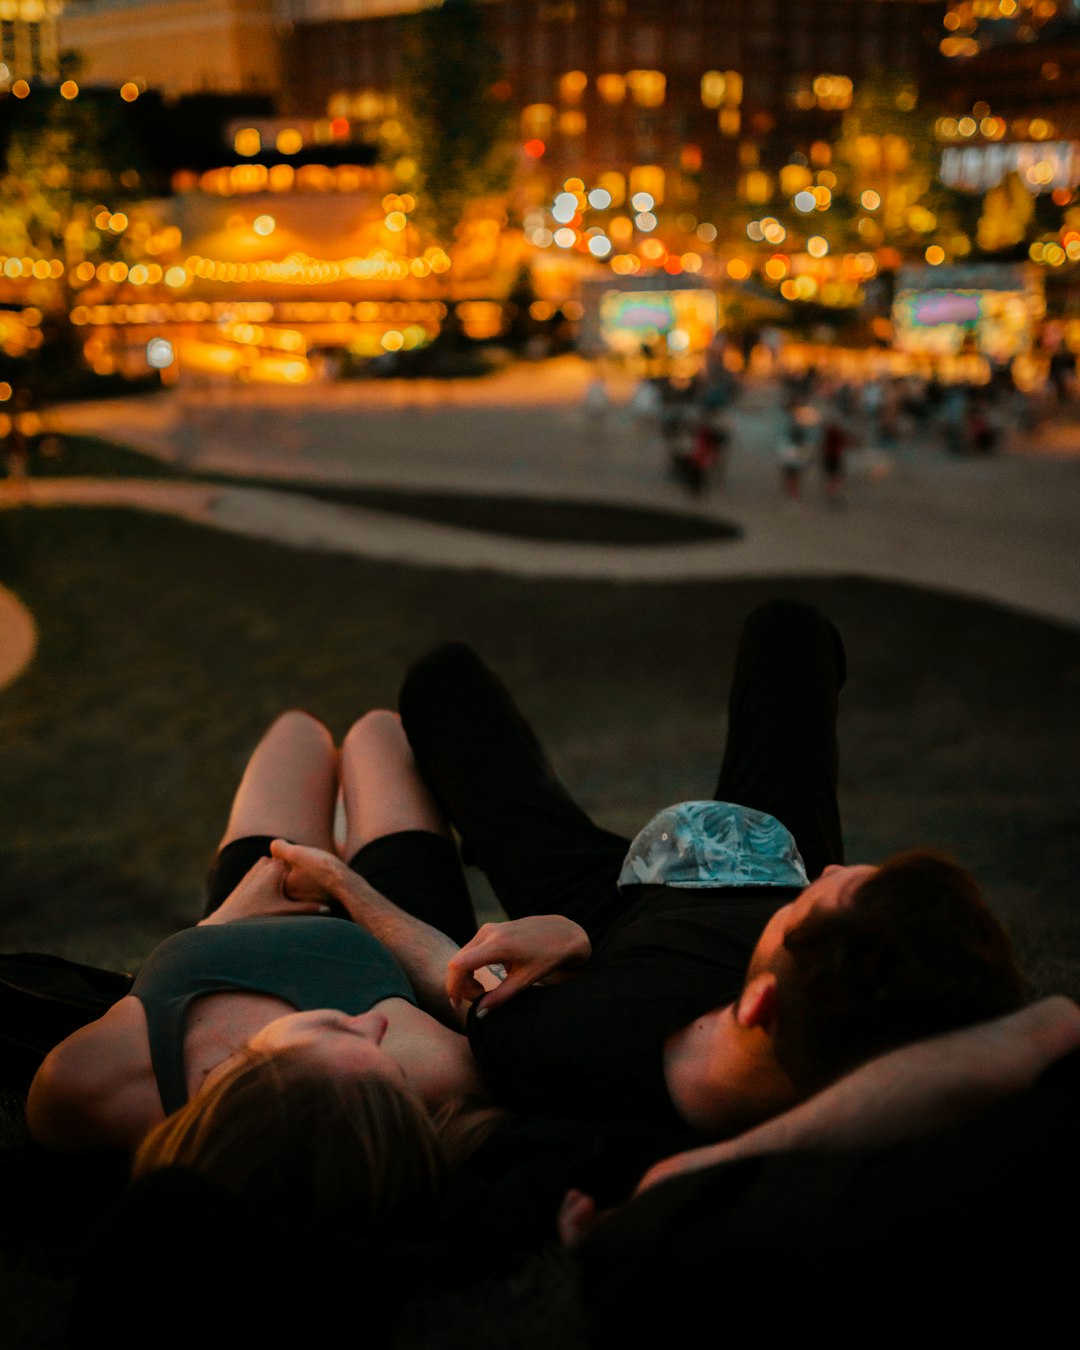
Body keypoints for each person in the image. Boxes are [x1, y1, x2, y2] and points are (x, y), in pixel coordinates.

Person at [272, 601, 1025, 1142]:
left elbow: (450, 971)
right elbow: (1051, 1023)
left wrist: (339, 881)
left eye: (837, 891)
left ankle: (498, 832)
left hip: (608, 908)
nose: (836, 866)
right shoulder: (860, 995)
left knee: (442, 683)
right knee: (788, 629)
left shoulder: (585, 1046)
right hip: (764, 859)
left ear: (759, 1003)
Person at [26, 709, 497, 1227]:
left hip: (247, 913)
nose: (373, 1025)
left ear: (246, 1071)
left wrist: (224, 919)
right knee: (380, 734)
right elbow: (478, 985)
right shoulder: (433, 1071)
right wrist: (345, 885)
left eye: (339, 1025)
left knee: (298, 733)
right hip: (397, 927)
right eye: (374, 1044)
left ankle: (340, 823)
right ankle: (349, 835)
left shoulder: (87, 1084)